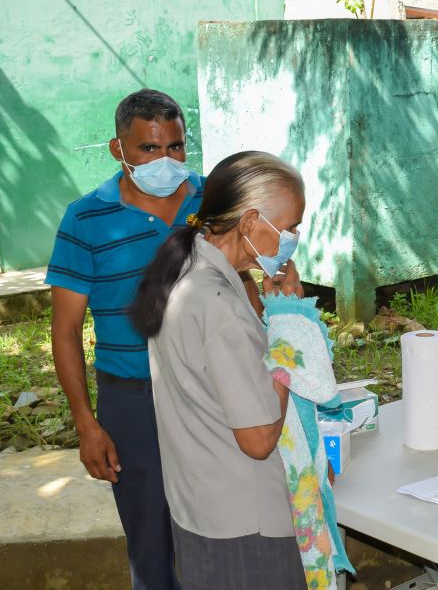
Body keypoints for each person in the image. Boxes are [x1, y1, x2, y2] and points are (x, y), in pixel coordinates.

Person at [46, 89, 298, 588]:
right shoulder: (86, 220)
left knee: (217, 524)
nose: (167, 161)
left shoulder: (213, 201)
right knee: (150, 538)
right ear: (119, 150)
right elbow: (66, 329)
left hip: (212, 394)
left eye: (177, 147)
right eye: (149, 149)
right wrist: (86, 423)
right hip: (133, 397)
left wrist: (275, 319)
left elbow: (248, 276)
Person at [130, 151, 309, 589]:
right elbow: (259, 437)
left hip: (200, 507)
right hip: (245, 525)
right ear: (249, 223)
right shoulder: (220, 306)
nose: (294, 239)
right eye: (289, 228)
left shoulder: (186, 270)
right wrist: (287, 329)